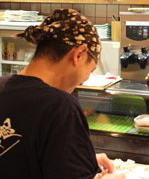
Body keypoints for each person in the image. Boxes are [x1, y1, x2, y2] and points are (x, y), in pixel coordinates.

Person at [0, 9, 125, 179]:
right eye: (91, 69)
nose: (83, 81)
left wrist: (78, 160)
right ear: (79, 55)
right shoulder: (61, 107)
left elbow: (18, 159)